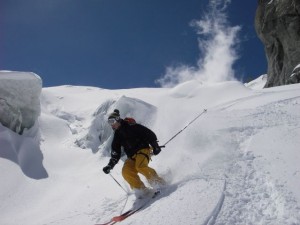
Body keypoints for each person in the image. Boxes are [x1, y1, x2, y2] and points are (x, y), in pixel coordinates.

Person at [103, 109, 165, 196]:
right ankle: (141, 190)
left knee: (140, 166)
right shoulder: (117, 135)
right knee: (126, 171)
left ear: (117, 119)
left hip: (143, 150)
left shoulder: (131, 126)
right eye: (109, 122)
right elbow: (116, 152)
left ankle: (158, 183)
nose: (111, 124)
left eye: (112, 121)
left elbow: (148, 133)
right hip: (132, 157)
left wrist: (155, 145)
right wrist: (110, 165)